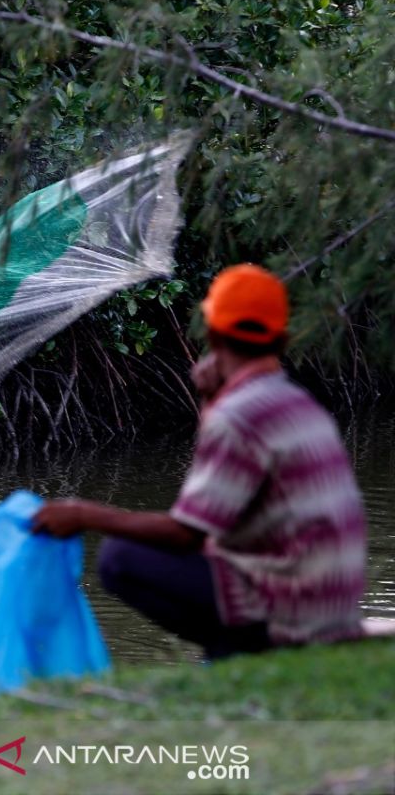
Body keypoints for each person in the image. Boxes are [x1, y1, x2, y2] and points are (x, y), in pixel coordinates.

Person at [33, 264, 367, 659]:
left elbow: (186, 534)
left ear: (211, 334)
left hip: (293, 611)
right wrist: (212, 402)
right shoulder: (299, 404)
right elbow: (216, 521)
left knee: (118, 558)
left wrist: (83, 514)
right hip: (334, 604)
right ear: (282, 340)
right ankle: (240, 647)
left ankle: (243, 650)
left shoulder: (239, 414)